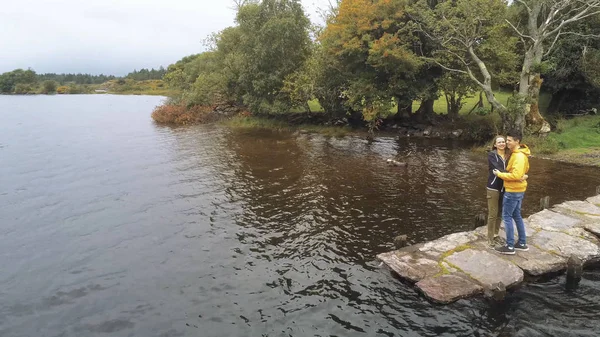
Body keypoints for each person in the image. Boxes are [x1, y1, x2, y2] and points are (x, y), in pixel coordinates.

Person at [493, 130, 531, 255]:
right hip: (518, 189)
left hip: (513, 191)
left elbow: (516, 175)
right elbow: (523, 172)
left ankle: (509, 246)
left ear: (517, 141)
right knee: (517, 215)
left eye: (509, 140)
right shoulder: (517, 153)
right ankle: (522, 243)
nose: (506, 142)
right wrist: (522, 176)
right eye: (506, 140)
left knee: (507, 217)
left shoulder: (519, 156)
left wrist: (499, 174)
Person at [486, 136, 508, 246]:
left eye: (503, 142)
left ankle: (495, 234)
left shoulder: (509, 155)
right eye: (499, 142)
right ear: (495, 144)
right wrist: (512, 174)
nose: (502, 144)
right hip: (493, 187)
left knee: (500, 212)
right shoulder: (492, 155)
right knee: (492, 213)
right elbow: (497, 168)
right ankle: (490, 239)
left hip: (505, 187)